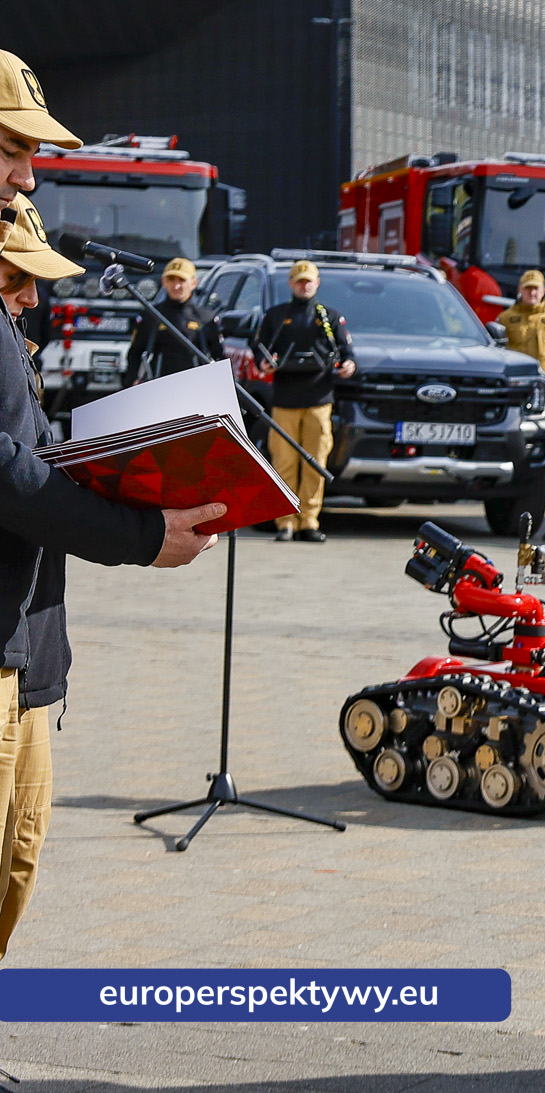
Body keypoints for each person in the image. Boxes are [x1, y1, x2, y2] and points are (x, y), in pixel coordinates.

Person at [0, 65, 223, 960]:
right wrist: (138, 534)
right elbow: (7, 474)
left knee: (16, 855)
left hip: (22, 645)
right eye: (13, 147)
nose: (27, 175)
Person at [255, 260, 356, 543]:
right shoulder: (276, 316)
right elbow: (259, 348)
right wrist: (264, 362)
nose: (304, 285)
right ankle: (285, 522)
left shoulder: (330, 317)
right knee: (284, 462)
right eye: (299, 281)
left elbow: (348, 351)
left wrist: (349, 364)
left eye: (308, 281)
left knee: (315, 463)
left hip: (319, 400)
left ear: (317, 283)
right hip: (285, 400)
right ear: (290, 283)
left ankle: (309, 521)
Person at [123, 256, 224, 385]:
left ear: (194, 283)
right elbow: (135, 354)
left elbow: (219, 358)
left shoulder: (207, 318)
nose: (176, 286)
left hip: (197, 390)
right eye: (171, 279)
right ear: (163, 282)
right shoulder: (151, 316)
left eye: (182, 280)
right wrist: (132, 382)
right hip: (159, 389)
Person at [502, 269, 545, 406]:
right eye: (528, 288)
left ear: (544, 291)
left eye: (536, 288)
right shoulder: (505, 319)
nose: (532, 293)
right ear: (520, 289)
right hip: (516, 385)